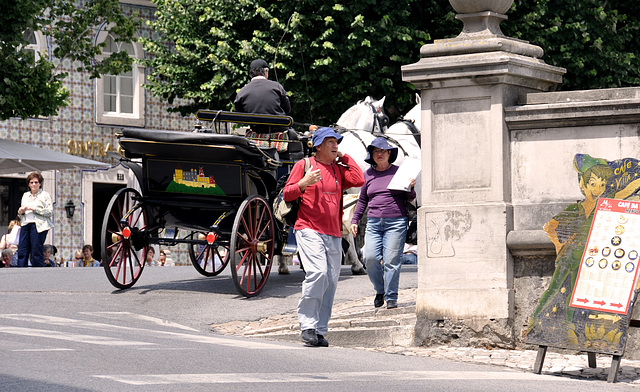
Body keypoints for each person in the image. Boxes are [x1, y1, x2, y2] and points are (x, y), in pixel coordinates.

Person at [283, 127, 364, 347]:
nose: (335, 145)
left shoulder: (338, 169)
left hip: (334, 233)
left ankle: (319, 330)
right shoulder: (304, 166)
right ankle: (307, 325)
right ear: (318, 146)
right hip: (308, 228)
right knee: (317, 273)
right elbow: (287, 193)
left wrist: (344, 157)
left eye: (337, 141)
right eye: (330, 142)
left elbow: (358, 179)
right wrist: (304, 182)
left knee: (331, 281)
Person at [350, 137, 416, 309]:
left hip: (396, 221)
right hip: (373, 222)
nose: (379, 154)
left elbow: (410, 197)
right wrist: (355, 220)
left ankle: (391, 297)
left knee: (391, 261)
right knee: (370, 258)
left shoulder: (399, 171)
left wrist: (411, 187)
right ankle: (380, 289)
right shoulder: (368, 175)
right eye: (375, 151)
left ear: (389, 154)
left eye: (382, 151)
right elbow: (362, 200)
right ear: (372, 155)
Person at [233, 58, 291, 133]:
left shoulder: (242, 92)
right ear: (266, 71)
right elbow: (287, 109)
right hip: (279, 132)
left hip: (257, 131)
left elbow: (238, 114)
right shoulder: (277, 87)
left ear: (251, 73)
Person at [17, 172, 53, 268]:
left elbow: (49, 212)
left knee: (36, 250)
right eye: (31, 182)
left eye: (36, 182)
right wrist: (21, 211)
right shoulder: (25, 195)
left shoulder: (45, 195)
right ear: (28, 184)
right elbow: (21, 214)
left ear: (40, 183)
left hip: (38, 225)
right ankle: (20, 272)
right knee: (22, 250)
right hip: (25, 224)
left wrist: (35, 209)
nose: (34, 184)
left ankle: (37, 273)